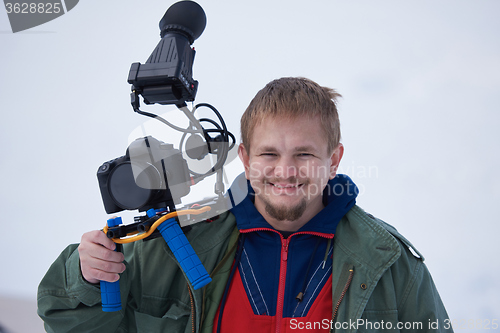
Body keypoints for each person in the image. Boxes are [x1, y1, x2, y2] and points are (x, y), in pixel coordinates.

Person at [38, 77, 453, 332]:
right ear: (246, 159)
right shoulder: (178, 246)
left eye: (304, 154)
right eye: (270, 154)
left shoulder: (390, 265)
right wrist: (87, 275)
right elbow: (73, 322)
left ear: (335, 159)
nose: (286, 172)